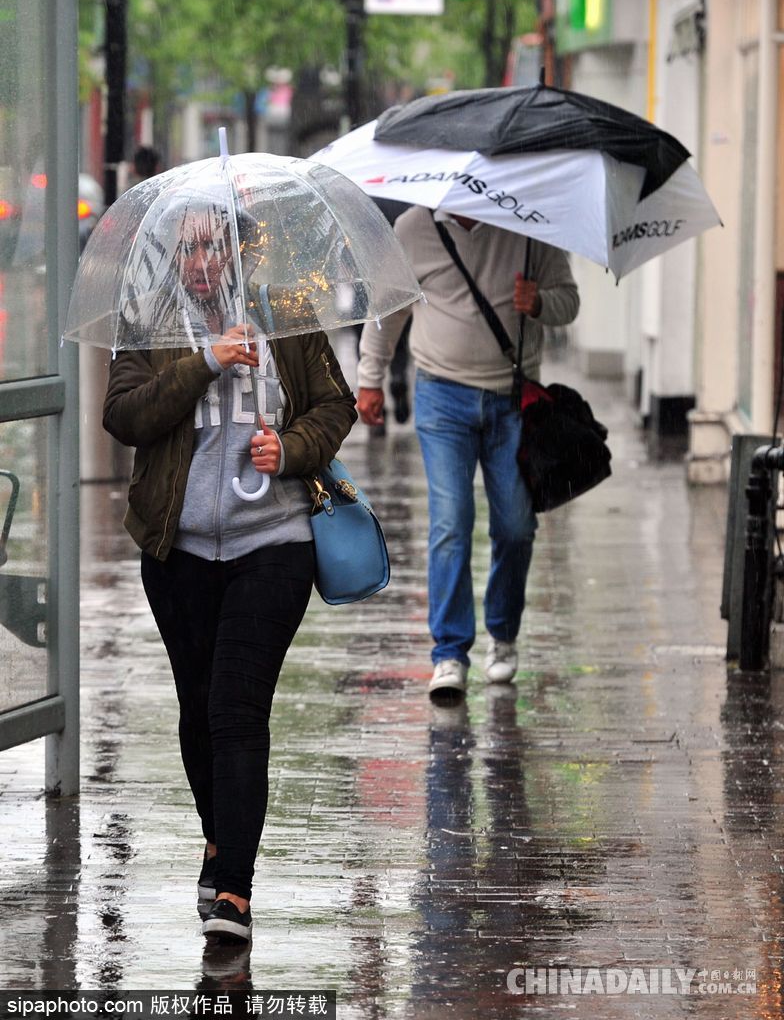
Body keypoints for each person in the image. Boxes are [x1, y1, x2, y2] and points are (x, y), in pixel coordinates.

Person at [103, 202, 357, 943]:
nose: (202, 262)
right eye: (188, 249)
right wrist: (206, 359)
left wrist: (296, 448)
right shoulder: (149, 319)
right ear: (172, 255)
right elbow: (125, 416)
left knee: (237, 711)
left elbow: (334, 405)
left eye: (215, 246)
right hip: (177, 550)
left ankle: (235, 892)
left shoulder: (285, 312)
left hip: (272, 544)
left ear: (241, 251)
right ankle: (221, 839)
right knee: (197, 706)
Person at [357, 207, 579, 700]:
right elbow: (389, 308)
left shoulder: (528, 222)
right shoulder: (413, 227)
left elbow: (569, 302)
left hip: (514, 400)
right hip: (442, 397)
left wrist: (540, 301)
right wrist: (370, 377)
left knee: (517, 526)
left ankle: (503, 634)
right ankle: (450, 652)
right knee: (451, 521)